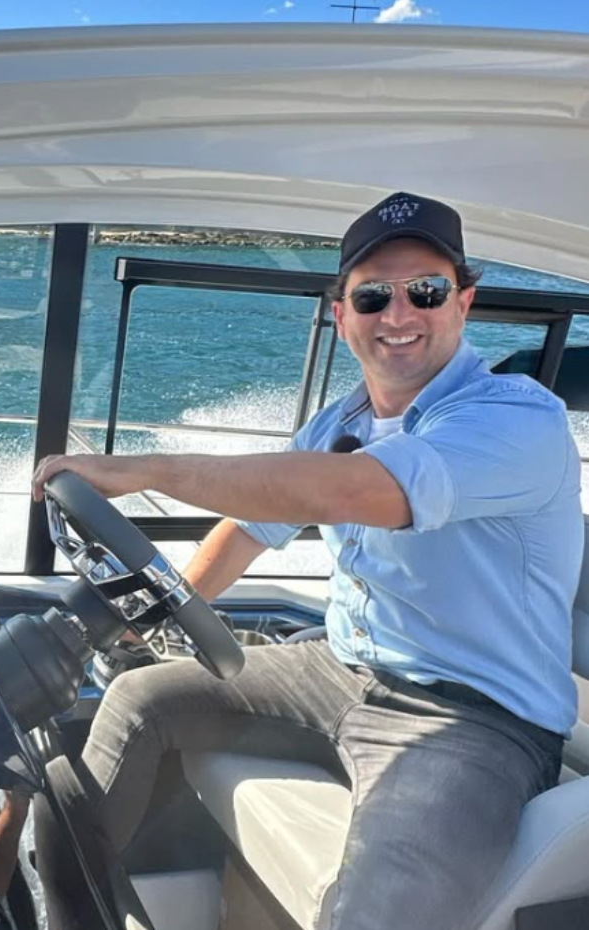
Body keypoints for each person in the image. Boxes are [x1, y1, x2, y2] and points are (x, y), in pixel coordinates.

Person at [30, 192, 583, 930]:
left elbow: (359, 490)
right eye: (374, 296)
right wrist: (164, 614)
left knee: (378, 912)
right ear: (341, 315)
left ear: (463, 302)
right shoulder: (337, 423)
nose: (399, 313)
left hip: (476, 719)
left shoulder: (515, 418)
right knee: (136, 704)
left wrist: (146, 470)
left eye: (425, 290)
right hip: (342, 669)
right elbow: (251, 527)